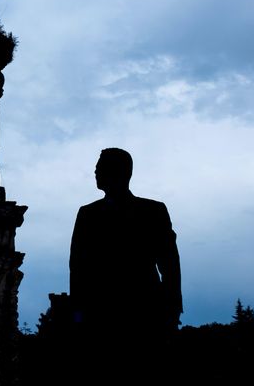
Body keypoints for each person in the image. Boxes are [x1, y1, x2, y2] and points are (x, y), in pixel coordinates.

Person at [68, 147, 182, 379]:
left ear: (119, 172)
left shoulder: (153, 211)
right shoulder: (87, 214)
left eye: (100, 167)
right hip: (101, 320)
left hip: (144, 318)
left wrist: (171, 311)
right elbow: (77, 268)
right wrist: (78, 315)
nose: (95, 171)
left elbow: (170, 264)